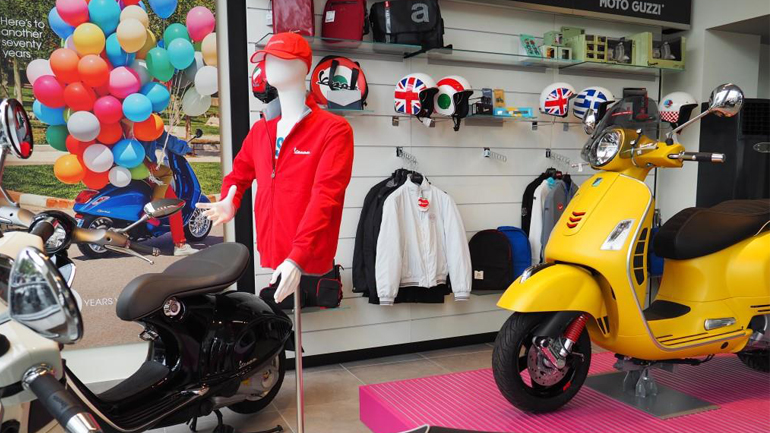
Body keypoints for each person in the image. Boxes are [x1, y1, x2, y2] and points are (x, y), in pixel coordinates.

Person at [121, 120, 198, 256]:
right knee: (174, 204)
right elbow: (169, 142)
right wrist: (187, 148)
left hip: (124, 167)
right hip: (145, 171)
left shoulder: (124, 122)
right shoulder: (151, 124)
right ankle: (180, 244)